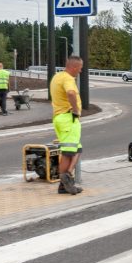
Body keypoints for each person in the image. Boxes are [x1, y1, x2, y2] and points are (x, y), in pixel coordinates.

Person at [50, 55, 84, 195]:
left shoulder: (57, 76)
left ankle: (65, 181)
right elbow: (70, 92)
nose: (80, 71)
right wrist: (75, 110)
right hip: (68, 118)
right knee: (68, 152)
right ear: (74, 67)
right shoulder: (68, 79)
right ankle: (66, 179)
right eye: (80, 68)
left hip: (59, 118)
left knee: (77, 149)